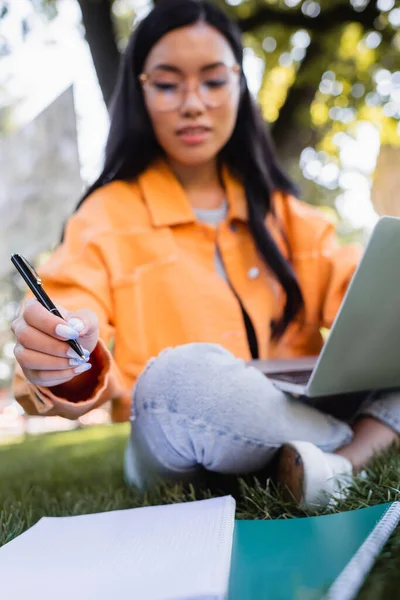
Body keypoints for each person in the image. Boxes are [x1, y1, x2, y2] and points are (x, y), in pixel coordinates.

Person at [11, 0, 399, 508]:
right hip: (181, 438)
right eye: (169, 84)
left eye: (214, 81)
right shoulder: (105, 215)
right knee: (176, 380)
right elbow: (71, 306)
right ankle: (358, 448)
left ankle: (329, 468)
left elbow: (364, 301)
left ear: (240, 85)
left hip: (292, 405)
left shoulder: (286, 213)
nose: (193, 103)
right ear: (140, 92)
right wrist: (62, 351)